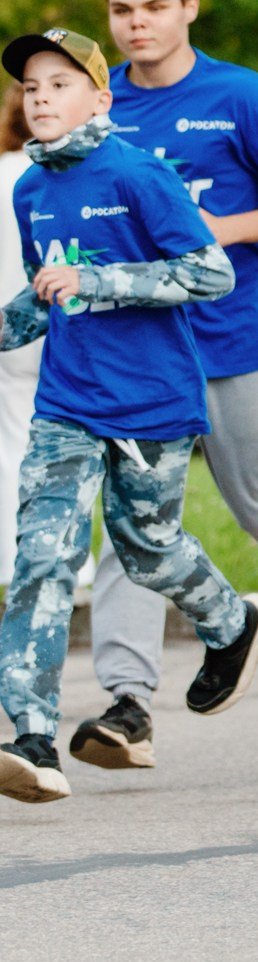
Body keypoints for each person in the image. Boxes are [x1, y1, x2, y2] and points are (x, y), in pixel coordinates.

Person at [69, 0, 258, 777]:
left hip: (236, 337)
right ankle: (126, 701)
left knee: (257, 499)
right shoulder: (102, 111)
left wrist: (216, 232)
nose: (137, 24)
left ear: (190, 6)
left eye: (153, 6)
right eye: (122, 11)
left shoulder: (241, 97)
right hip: (141, 346)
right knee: (131, 520)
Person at [0, 29, 258, 802]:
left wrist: (102, 281)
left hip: (154, 400)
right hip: (67, 402)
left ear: (100, 98)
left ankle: (232, 623)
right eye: (30, 87)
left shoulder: (139, 173)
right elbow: (47, 293)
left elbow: (210, 271)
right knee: (42, 560)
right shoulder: (30, 190)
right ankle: (30, 738)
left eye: (59, 83)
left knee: (148, 546)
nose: (42, 97)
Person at [0, 86, 39, 595]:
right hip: (64, 319)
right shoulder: (64, 172)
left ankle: (16, 562)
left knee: (15, 440)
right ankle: (77, 566)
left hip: (9, 326)